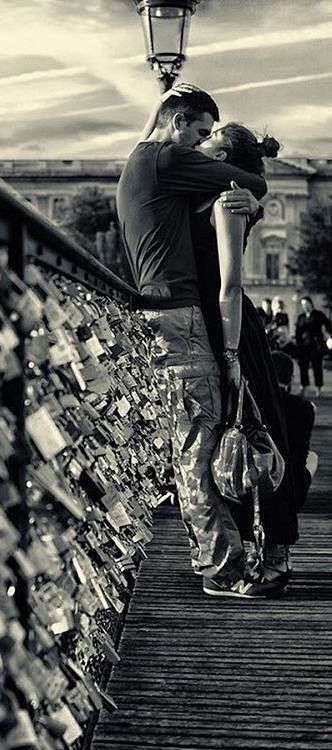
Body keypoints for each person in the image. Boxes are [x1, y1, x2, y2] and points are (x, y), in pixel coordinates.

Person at [117, 85, 281, 598]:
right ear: (180, 123)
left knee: (188, 438)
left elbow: (154, 131)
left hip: (156, 316)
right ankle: (223, 568)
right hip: (182, 316)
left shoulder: (141, 159)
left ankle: (211, 555)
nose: (202, 144)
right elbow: (253, 181)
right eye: (200, 133)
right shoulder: (168, 158)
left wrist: (163, 102)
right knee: (200, 445)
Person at [191, 123, 299, 588]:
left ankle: (277, 553)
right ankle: (244, 549)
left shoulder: (228, 199)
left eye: (210, 150)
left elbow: (230, 283)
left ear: (229, 161)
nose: (198, 154)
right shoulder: (204, 194)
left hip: (232, 327)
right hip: (214, 324)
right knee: (229, 438)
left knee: (259, 434)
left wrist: (232, 354)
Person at [271, 351, 318, 510]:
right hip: (293, 486)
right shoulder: (305, 408)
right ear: (291, 379)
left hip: (260, 480)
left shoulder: (255, 404)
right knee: (312, 456)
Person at [295, 296, 332, 396]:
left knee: (317, 366)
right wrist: (298, 344)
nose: (305, 307)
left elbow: (328, 324)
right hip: (304, 345)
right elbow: (298, 332)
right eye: (303, 305)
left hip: (315, 345)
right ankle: (304, 386)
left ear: (311, 304)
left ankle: (318, 388)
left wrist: (328, 337)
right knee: (303, 366)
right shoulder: (301, 317)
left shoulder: (318, 315)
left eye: (306, 304)